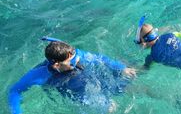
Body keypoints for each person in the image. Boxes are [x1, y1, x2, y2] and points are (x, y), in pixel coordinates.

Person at [8, 37, 136, 114]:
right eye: (73, 61)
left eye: (76, 57)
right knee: (109, 109)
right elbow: (14, 91)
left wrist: (121, 68)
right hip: (68, 86)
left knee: (127, 86)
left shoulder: (74, 54)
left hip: (87, 77)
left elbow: (99, 58)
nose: (78, 60)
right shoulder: (39, 75)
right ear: (56, 65)